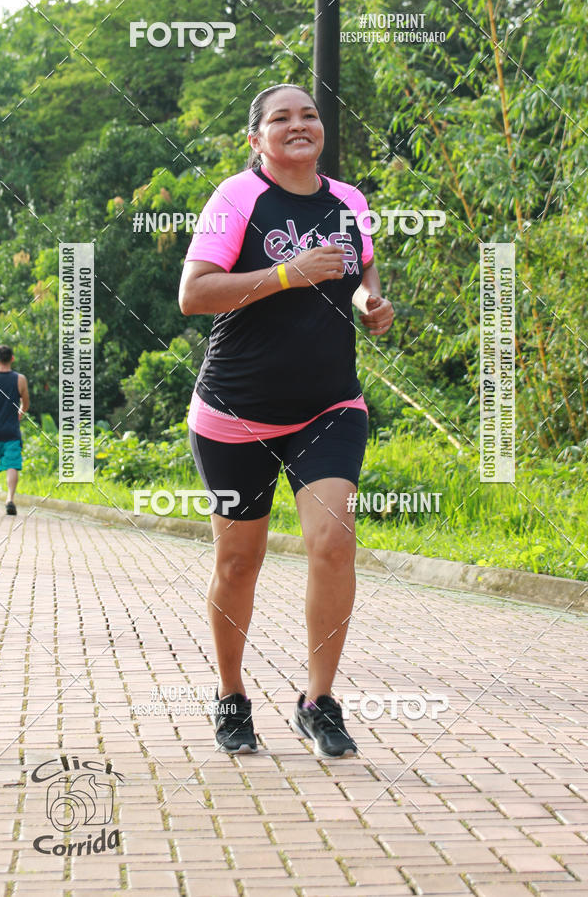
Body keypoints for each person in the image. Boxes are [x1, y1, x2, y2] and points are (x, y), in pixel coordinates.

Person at [178, 84, 394, 759]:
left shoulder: (350, 200)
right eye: (281, 118)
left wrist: (370, 302)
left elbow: (362, 271)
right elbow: (193, 294)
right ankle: (231, 695)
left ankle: (318, 701)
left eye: (309, 114)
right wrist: (285, 275)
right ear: (257, 139)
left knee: (333, 543)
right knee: (239, 561)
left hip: (329, 405)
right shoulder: (236, 198)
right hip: (235, 411)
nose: (299, 124)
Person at [0, 345, 30, 516]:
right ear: (12, 358)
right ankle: (10, 499)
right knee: (12, 465)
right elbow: (26, 402)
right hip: (11, 432)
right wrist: (20, 412)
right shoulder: (20, 379)